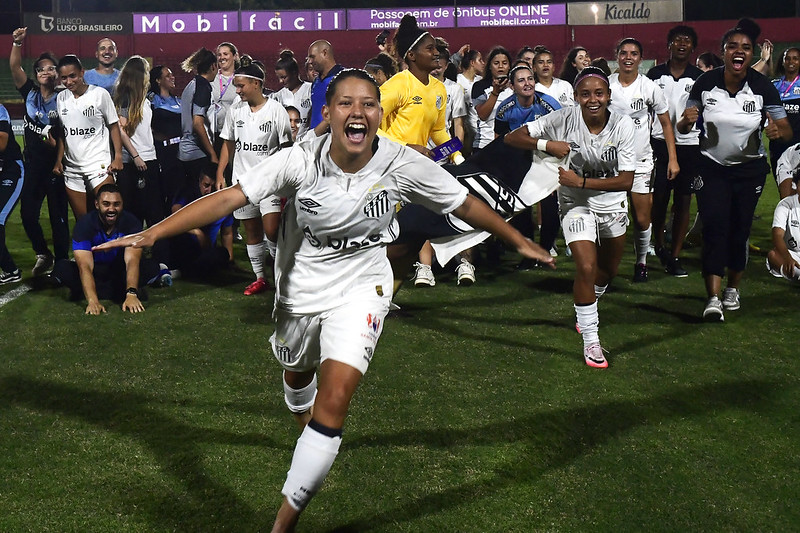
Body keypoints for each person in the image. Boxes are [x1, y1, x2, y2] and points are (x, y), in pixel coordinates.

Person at [94, 69, 550, 531]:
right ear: (327, 113)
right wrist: (151, 232)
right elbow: (231, 197)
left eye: (369, 103)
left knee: (334, 401)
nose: (358, 112)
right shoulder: (299, 160)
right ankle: (307, 436)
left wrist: (517, 239)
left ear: (380, 113)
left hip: (364, 288)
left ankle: (283, 521)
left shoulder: (401, 162)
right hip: (299, 292)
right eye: (346, 103)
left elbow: (463, 203)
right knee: (298, 380)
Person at [506, 66, 637, 368]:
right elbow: (513, 138)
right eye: (586, 94)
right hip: (575, 202)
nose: (593, 99)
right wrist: (546, 144)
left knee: (607, 271)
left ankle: (586, 304)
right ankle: (591, 340)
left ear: (608, 96)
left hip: (611, 201)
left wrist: (582, 181)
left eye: (599, 93)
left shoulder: (624, 126)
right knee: (586, 266)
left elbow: (627, 181)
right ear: (576, 97)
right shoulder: (563, 117)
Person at [677, 18, 792, 321]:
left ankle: (732, 289)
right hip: (711, 168)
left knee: (739, 231)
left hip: (749, 171)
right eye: (732, 46)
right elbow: (683, 123)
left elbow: (786, 129)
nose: (739, 51)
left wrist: (778, 132)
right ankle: (713, 297)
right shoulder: (705, 83)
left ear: (752, 54)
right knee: (714, 227)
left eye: (746, 47)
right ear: (724, 51)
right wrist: (686, 121)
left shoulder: (763, 87)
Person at [378, 16, 467, 287]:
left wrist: (457, 155)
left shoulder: (439, 89)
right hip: (388, 168)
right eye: (430, 49)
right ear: (412, 56)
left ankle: (386, 295)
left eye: (436, 49)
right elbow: (370, 123)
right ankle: (371, 290)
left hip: (416, 170)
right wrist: (406, 147)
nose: (436, 53)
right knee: (387, 236)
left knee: (410, 237)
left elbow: (438, 131)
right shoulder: (397, 85)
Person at [217, 56, 292, 296]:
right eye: (236, 86)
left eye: (241, 86)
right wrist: (221, 172)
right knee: (251, 231)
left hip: (269, 182)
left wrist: (284, 178)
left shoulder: (276, 110)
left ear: (256, 84)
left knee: (271, 230)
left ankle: (280, 273)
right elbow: (228, 144)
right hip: (242, 182)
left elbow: (286, 148)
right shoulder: (235, 111)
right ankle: (260, 278)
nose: (237, 91)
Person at [609, 37, 679, 283]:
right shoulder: (606, 87)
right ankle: (607, 263)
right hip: (610, 164)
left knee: (641, 218)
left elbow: (665, 123)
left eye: (634, 53)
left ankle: (641, 262)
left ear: (640, 58)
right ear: (616, 55)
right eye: (624, 52)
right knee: (608, 217)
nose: (628, 57)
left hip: (640, 162)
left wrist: (672, 158)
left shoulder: (649, 87)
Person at [9, 27, 69, 277]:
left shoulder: (65, 99)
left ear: (57, 74)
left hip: (56, 166)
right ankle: (43, 254)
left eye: (51, 68)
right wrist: (17, 44)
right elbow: (14, 67)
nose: (47, 71)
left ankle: (63, 262)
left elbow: (67, 135)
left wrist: (58, 155)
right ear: (36, 74)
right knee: (28, 214)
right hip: (32, 166)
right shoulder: (30, 93)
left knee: (58, 217)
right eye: (42, 68)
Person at [648, 25, 704, 278]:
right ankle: (658, 245)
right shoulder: (654, 74)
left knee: (683, 200)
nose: (682, 44)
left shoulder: (700, 77)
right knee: (659, 199)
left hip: (690, 145)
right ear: (668, 45)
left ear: (693, 47)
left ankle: (676, 254)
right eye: (677, 40)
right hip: (658, 143)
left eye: (687, 40)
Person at [50, 183, 160, 314]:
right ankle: (114, 292)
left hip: (120, 270)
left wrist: (131, 294)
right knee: (62, 268)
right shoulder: (84, 225)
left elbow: (132, 261)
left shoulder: (131, 223)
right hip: (95, 270)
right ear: (97, 205)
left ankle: (111, 291)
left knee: (152, 267)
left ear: (122, 204)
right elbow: (84, 266)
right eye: (106, 204)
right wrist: (93, 301)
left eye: (116, 204)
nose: (112, 209)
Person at [494, 61, 561, 267]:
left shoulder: (550, 105)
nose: (527, 83)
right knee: (521, 209)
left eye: (530, 79)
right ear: (512, 86)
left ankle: (547, 248)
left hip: (546, 160)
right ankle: (530, 254)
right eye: (521, 80)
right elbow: (500, 139)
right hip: (519, 162)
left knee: (549, 208)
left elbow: (561, 135)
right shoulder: (505, 110)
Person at [54, 55, 122, 220]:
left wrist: (118, 156)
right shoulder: (61, 98)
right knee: (84, 221)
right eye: (64, 78)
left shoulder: (99, 94)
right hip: (73, 169)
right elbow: (64, 132)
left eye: (72, 76)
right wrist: (58, 160)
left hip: (99, 165)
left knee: (107, 217)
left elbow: (114, 126)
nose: (69, 81)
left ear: (82, 73)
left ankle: (114, 246)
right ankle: (87, 246)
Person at [112, 55, 163, 229]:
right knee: (134, 212)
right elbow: (121, 129)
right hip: (136, 161)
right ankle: (133, 252)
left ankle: (154, 252)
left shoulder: (144, 99)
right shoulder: (126, 98)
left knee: (153, 211)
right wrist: (135, 156)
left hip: (148, 158)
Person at [162, 164, 233, 279]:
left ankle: (182, 272)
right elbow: (175, 211)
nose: (209, 190)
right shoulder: (188, 193)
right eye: (206, 185)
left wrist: (230, 261)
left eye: (213, 186)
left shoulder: (224, 203)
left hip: (205, 251)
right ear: (199, 182)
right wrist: (197, 232)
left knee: (221, 255)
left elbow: (227, 233)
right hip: (184, 244)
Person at [178, 47, 219, 193]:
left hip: (185, 152)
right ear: (213, 66)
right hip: (198, 153)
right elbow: (197, 123)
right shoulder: (203, 86)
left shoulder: (191, 85)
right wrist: (213, 154)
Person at [148, 65, 183, 213]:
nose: (172, 77)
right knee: (163, 191)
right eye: (168, 75)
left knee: (178, 191)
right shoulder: (152, 100)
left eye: (172, 74)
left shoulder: (178, 100)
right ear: (158, 80)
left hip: (179, 152)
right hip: (162, 152)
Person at [0, 102, 25, 284]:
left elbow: (2, 142)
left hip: (11, 170)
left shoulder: (0, 110)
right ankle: (10, 270)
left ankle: (11, 270)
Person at [471, 46, 513, 152]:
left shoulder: (516, 87)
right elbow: (483, 115)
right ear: (490, 66)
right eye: (496, 63)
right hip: (484, 145)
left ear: (509, 66)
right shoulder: (480, 86)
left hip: (510, 144)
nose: (500, 66)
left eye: (504, 63)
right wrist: (495, 92)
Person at [769, 47, 800, 175]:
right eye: (787, 58)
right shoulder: (774, 85)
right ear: (782, 62)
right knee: (782, 187)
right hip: (778, 144)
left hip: (798, 144)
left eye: (795, 58)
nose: (790, 61)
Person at [270, 50, 313, 138]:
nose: (280, 81)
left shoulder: (310, 90)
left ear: (294, 73)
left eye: (283, 77)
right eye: (279, 78)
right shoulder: (278, 96)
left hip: (307, 143)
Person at [767, 173, 800, 283]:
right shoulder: (785, 205)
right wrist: (787, 257)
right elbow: (777, 234)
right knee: (773, 255)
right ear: (796, 186)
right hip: (792, 253)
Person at [307, 40, 344, 129]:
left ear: (324, 53)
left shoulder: (343, 78)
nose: (309, 61)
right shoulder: (316, 81)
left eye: (312, 57)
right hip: (314, 139)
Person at [211, 42, 240, 154]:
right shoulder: (212, 78)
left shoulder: (240, 79)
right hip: (214, 133)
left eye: (225, 54)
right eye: (219, 55)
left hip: (234, 133)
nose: (222, 57)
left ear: (235, 56)